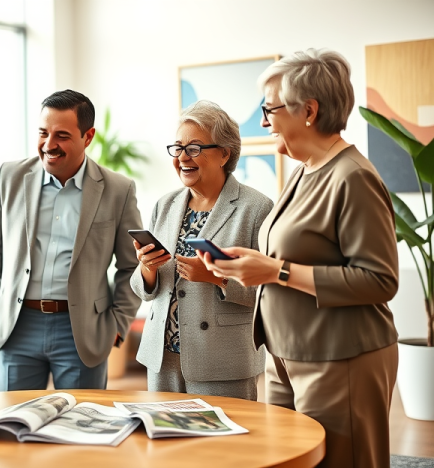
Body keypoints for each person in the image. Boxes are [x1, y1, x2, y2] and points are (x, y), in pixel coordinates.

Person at [199, 49, 399, 468]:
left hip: (338, 358)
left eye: (269, 109)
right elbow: (294, 253)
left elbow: (380, 280)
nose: (263, 121)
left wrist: (276, 270)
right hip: (285, 354)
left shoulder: (353, 177)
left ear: (309, 111)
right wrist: (250, 264)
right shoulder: (305, 169)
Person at [0, 89, 142, 391]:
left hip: (82, 331)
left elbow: (131, 266)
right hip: (16, 327)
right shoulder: (10, 177)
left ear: (88, 136)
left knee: (83, 427)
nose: (49, 145)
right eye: (43, 133)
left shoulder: (118, 190)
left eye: (62, 136)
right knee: (12, 428)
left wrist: (117, 325)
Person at [131, 100, 273, 401]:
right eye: (177, 148)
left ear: (224, 153)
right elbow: (143, 288)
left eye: (194, 148)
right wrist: (147, 269)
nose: (183, 157)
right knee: (166, 443)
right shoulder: (165, 205)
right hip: (163, 359)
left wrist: (217, 278)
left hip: (221, 360)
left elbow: (269, 292)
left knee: (223, 446)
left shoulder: (256, 208)